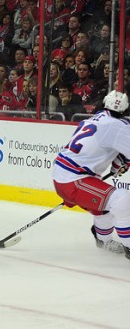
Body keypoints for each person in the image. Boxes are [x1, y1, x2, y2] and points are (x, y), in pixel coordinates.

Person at [52, 89, 130, 260]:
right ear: (124, 111)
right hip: (75, 179)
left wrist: (121, 164)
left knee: (106, 207)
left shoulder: (92, 120)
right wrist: (122, 164)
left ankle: (104, 242)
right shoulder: (119, 126)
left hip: (65, 176)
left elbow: (113, 150)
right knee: (123, 200)